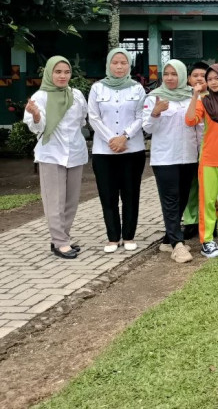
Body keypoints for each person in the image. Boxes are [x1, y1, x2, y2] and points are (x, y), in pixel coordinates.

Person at [24, 56, 88, 260]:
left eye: (66, 72)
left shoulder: (76, 95)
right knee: (54, 201)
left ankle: (63, 238)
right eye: (58, 72)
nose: (62, 76)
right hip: (51, 154)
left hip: (76, 153)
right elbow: (37, 127)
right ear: (50, 73)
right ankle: (59, 242)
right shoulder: (40, 96)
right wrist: (35, 115)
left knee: (71, 201)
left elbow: (82, 121)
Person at [88, 48, 147, 254]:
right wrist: (111, 139)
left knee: (131, 194)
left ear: (129, 65)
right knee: (108, 195)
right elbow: (93, 117)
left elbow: (141, 116)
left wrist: (125, 137)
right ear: (108, 65)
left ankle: (129, 236)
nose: (120, 66)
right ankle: (113, 238)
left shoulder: (137, 88)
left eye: (123, 63)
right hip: (104, 152)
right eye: (115, 63)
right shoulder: (97, 88)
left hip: (132, 149)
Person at [142, 60, 198, 263]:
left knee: (182, 198)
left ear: (182, 75)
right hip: (165, 157)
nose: (170, 78)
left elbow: (197, 126)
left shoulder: (192, 95)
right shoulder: (154, 96)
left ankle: (167, 239)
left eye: (174, 74)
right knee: (171, 199)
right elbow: (147, 128)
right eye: (166, 74)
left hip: (189, 155)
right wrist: (155, 112)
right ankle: (177, 244)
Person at [185, 64, 218, 259]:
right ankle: (207, 240)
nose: (213, 82)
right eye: (210, 79)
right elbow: (190, 120)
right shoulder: (204, 102)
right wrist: (195, 96)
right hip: (209, 159)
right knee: (208, 201)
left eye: (217, 78)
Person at [182, 61, 210, 241]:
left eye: (203, 76)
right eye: (195, 75)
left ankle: (208, 221)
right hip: (188, 149)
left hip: (209, 149)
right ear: (188, 79)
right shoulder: (183, 97)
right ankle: (190, 221)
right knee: (190, 186)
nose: (199, 78)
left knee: (208, 188)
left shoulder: (214, 97)